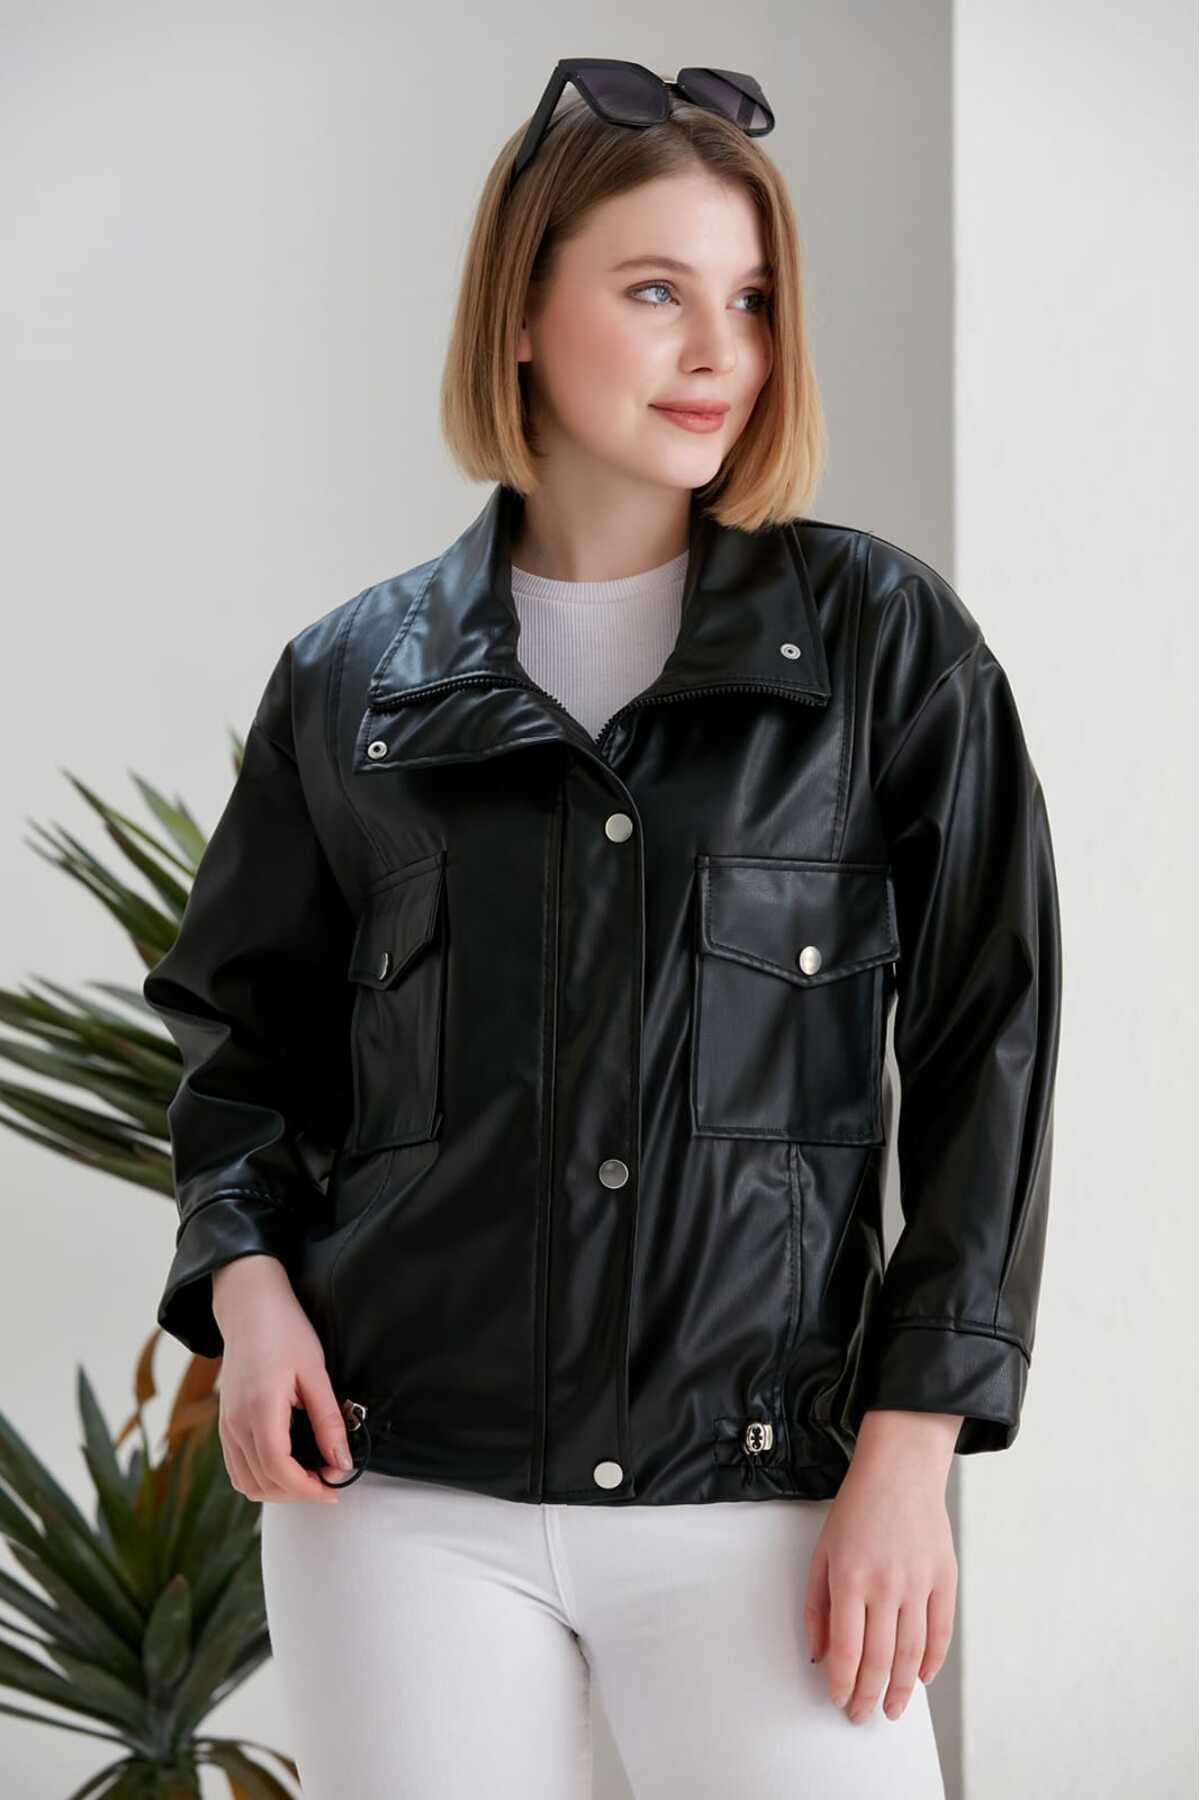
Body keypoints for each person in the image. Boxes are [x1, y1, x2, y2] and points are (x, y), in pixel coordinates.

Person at [144, 62, 1062, 1799]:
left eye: (753, 300)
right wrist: (249, 1292)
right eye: (656, 291)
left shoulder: (886, 647)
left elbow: (986, 1058)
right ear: (520, 313)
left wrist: (908, 1453)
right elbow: (240, 1043)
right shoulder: (350, 682)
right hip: (398, 1500)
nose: (720, 350)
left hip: (768, 1492)